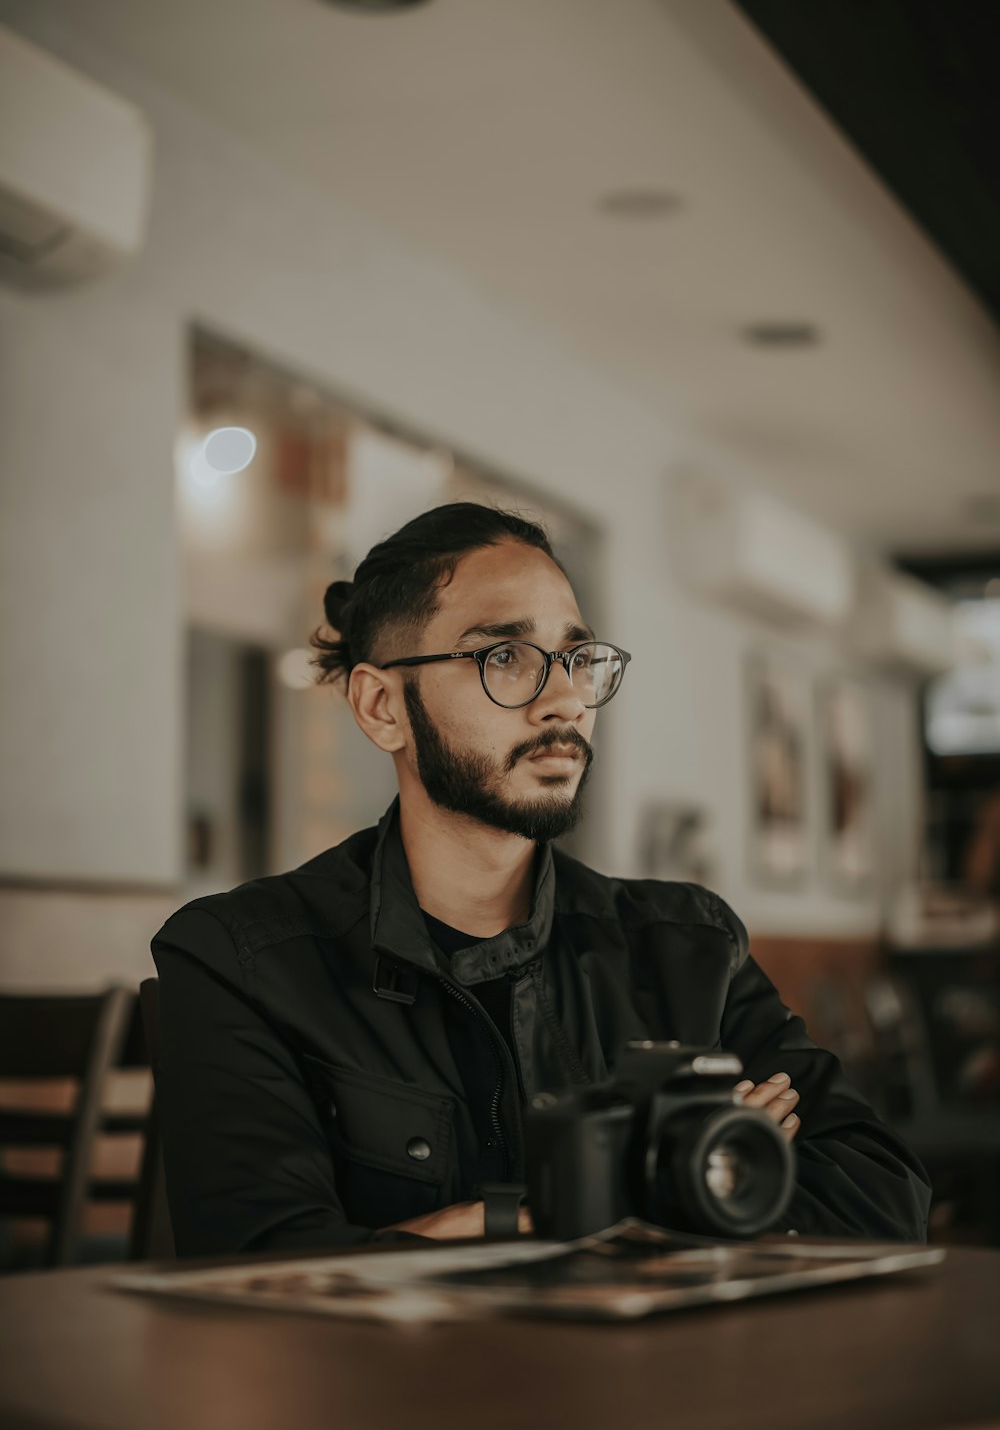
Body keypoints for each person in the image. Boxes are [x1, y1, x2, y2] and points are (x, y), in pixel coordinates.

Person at [152, 503, 931, 1257]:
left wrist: (500, 1224)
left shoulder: (686, 950)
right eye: (506, 657)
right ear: (382, 705)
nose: (565, 700)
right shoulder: (242, 960)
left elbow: (882, 1193)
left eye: (577, 658)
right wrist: (683, 1185)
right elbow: (260, 1271)